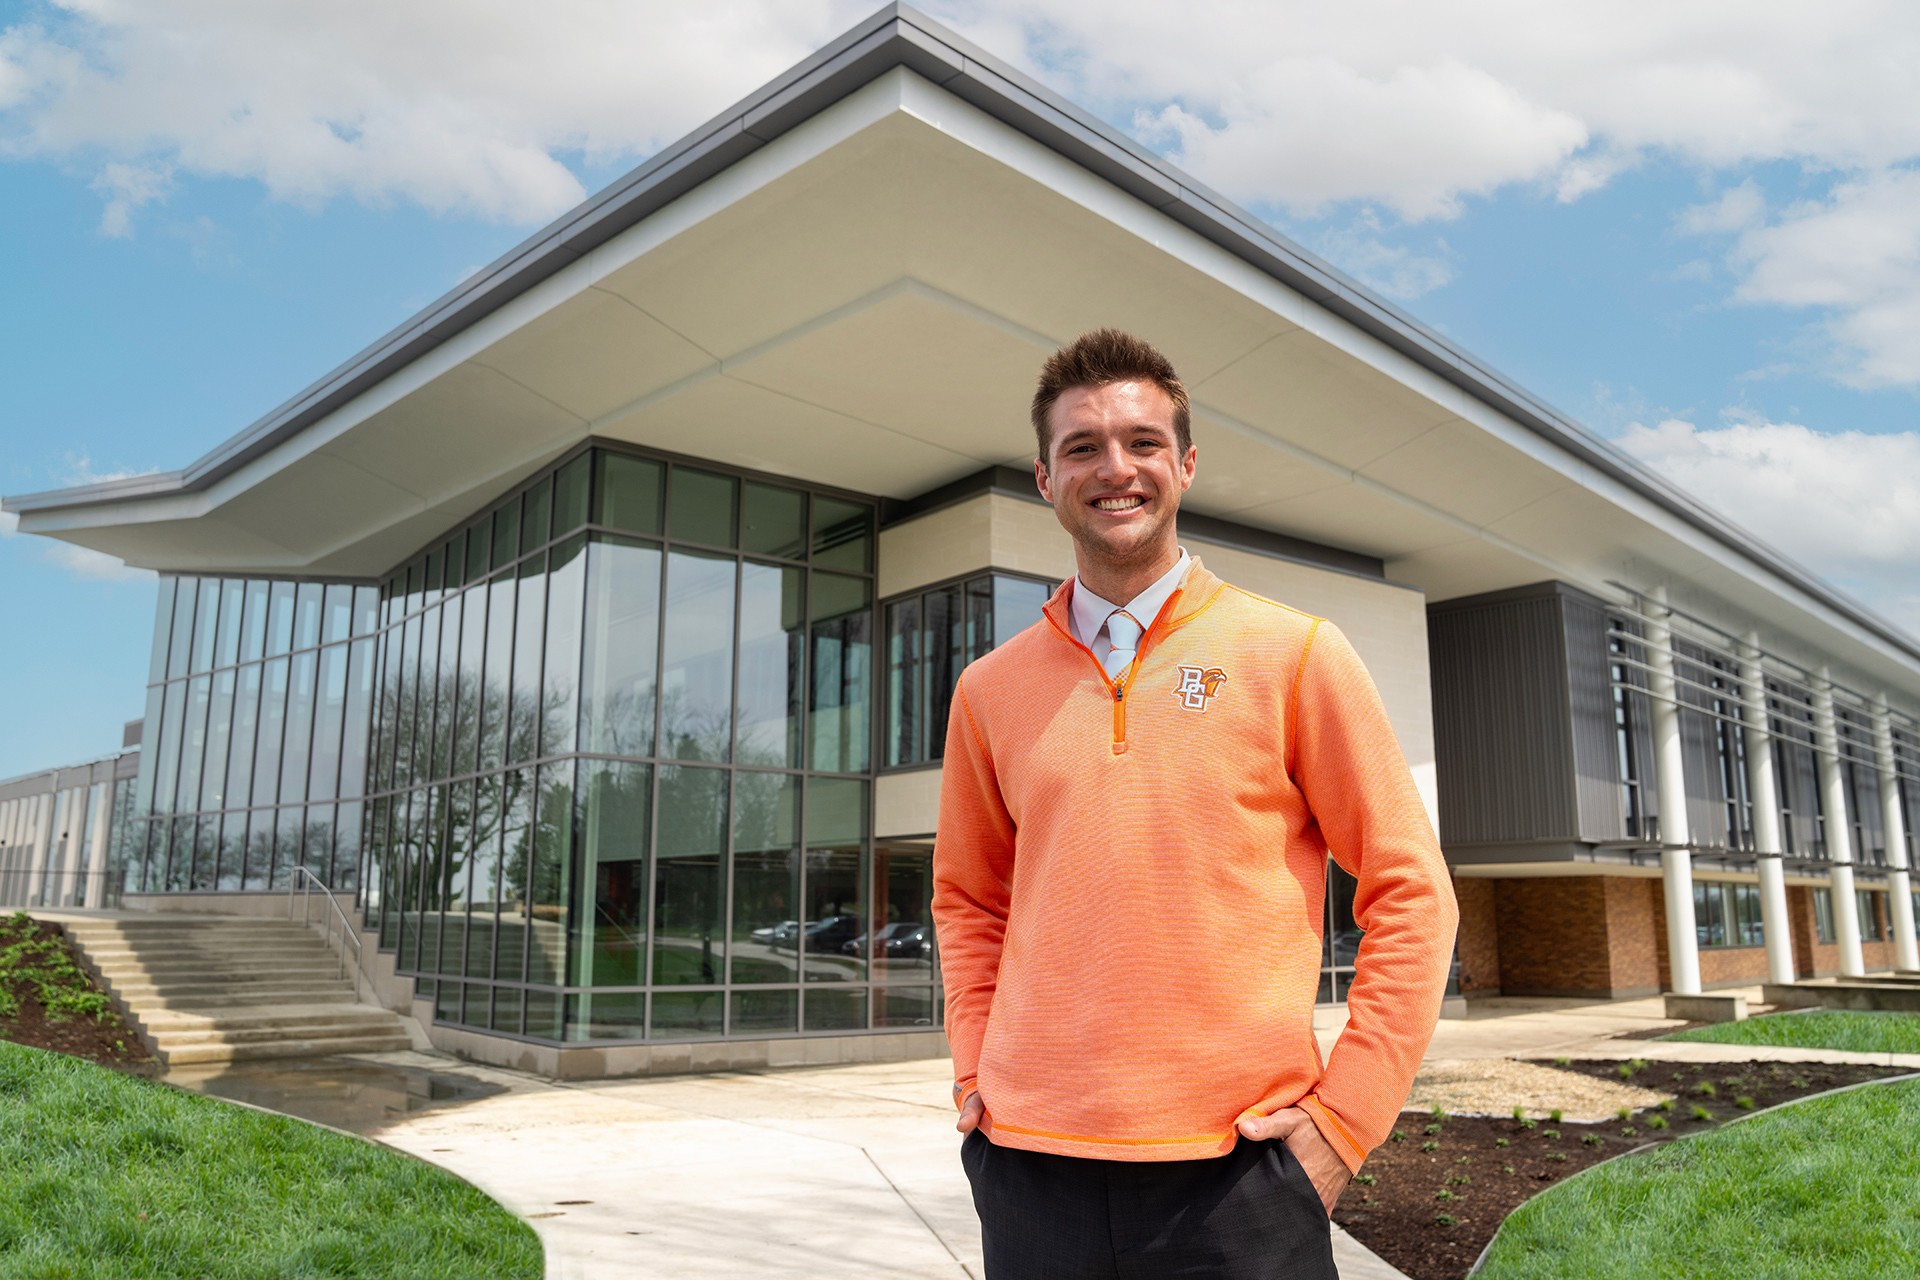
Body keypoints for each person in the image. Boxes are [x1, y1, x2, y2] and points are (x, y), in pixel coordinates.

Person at [931, 329, 1458, 1279]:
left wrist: (1346, 1121)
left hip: (1242, 1176)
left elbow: (1412, 890)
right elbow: (969, 901)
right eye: (1082, 446)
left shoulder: (1294, 653)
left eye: (1141, 441)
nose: (1115, 468)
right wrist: (976, 1071)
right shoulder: (987, 690)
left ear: (1185, 464)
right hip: (1028, 1168)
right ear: (1045, 478)